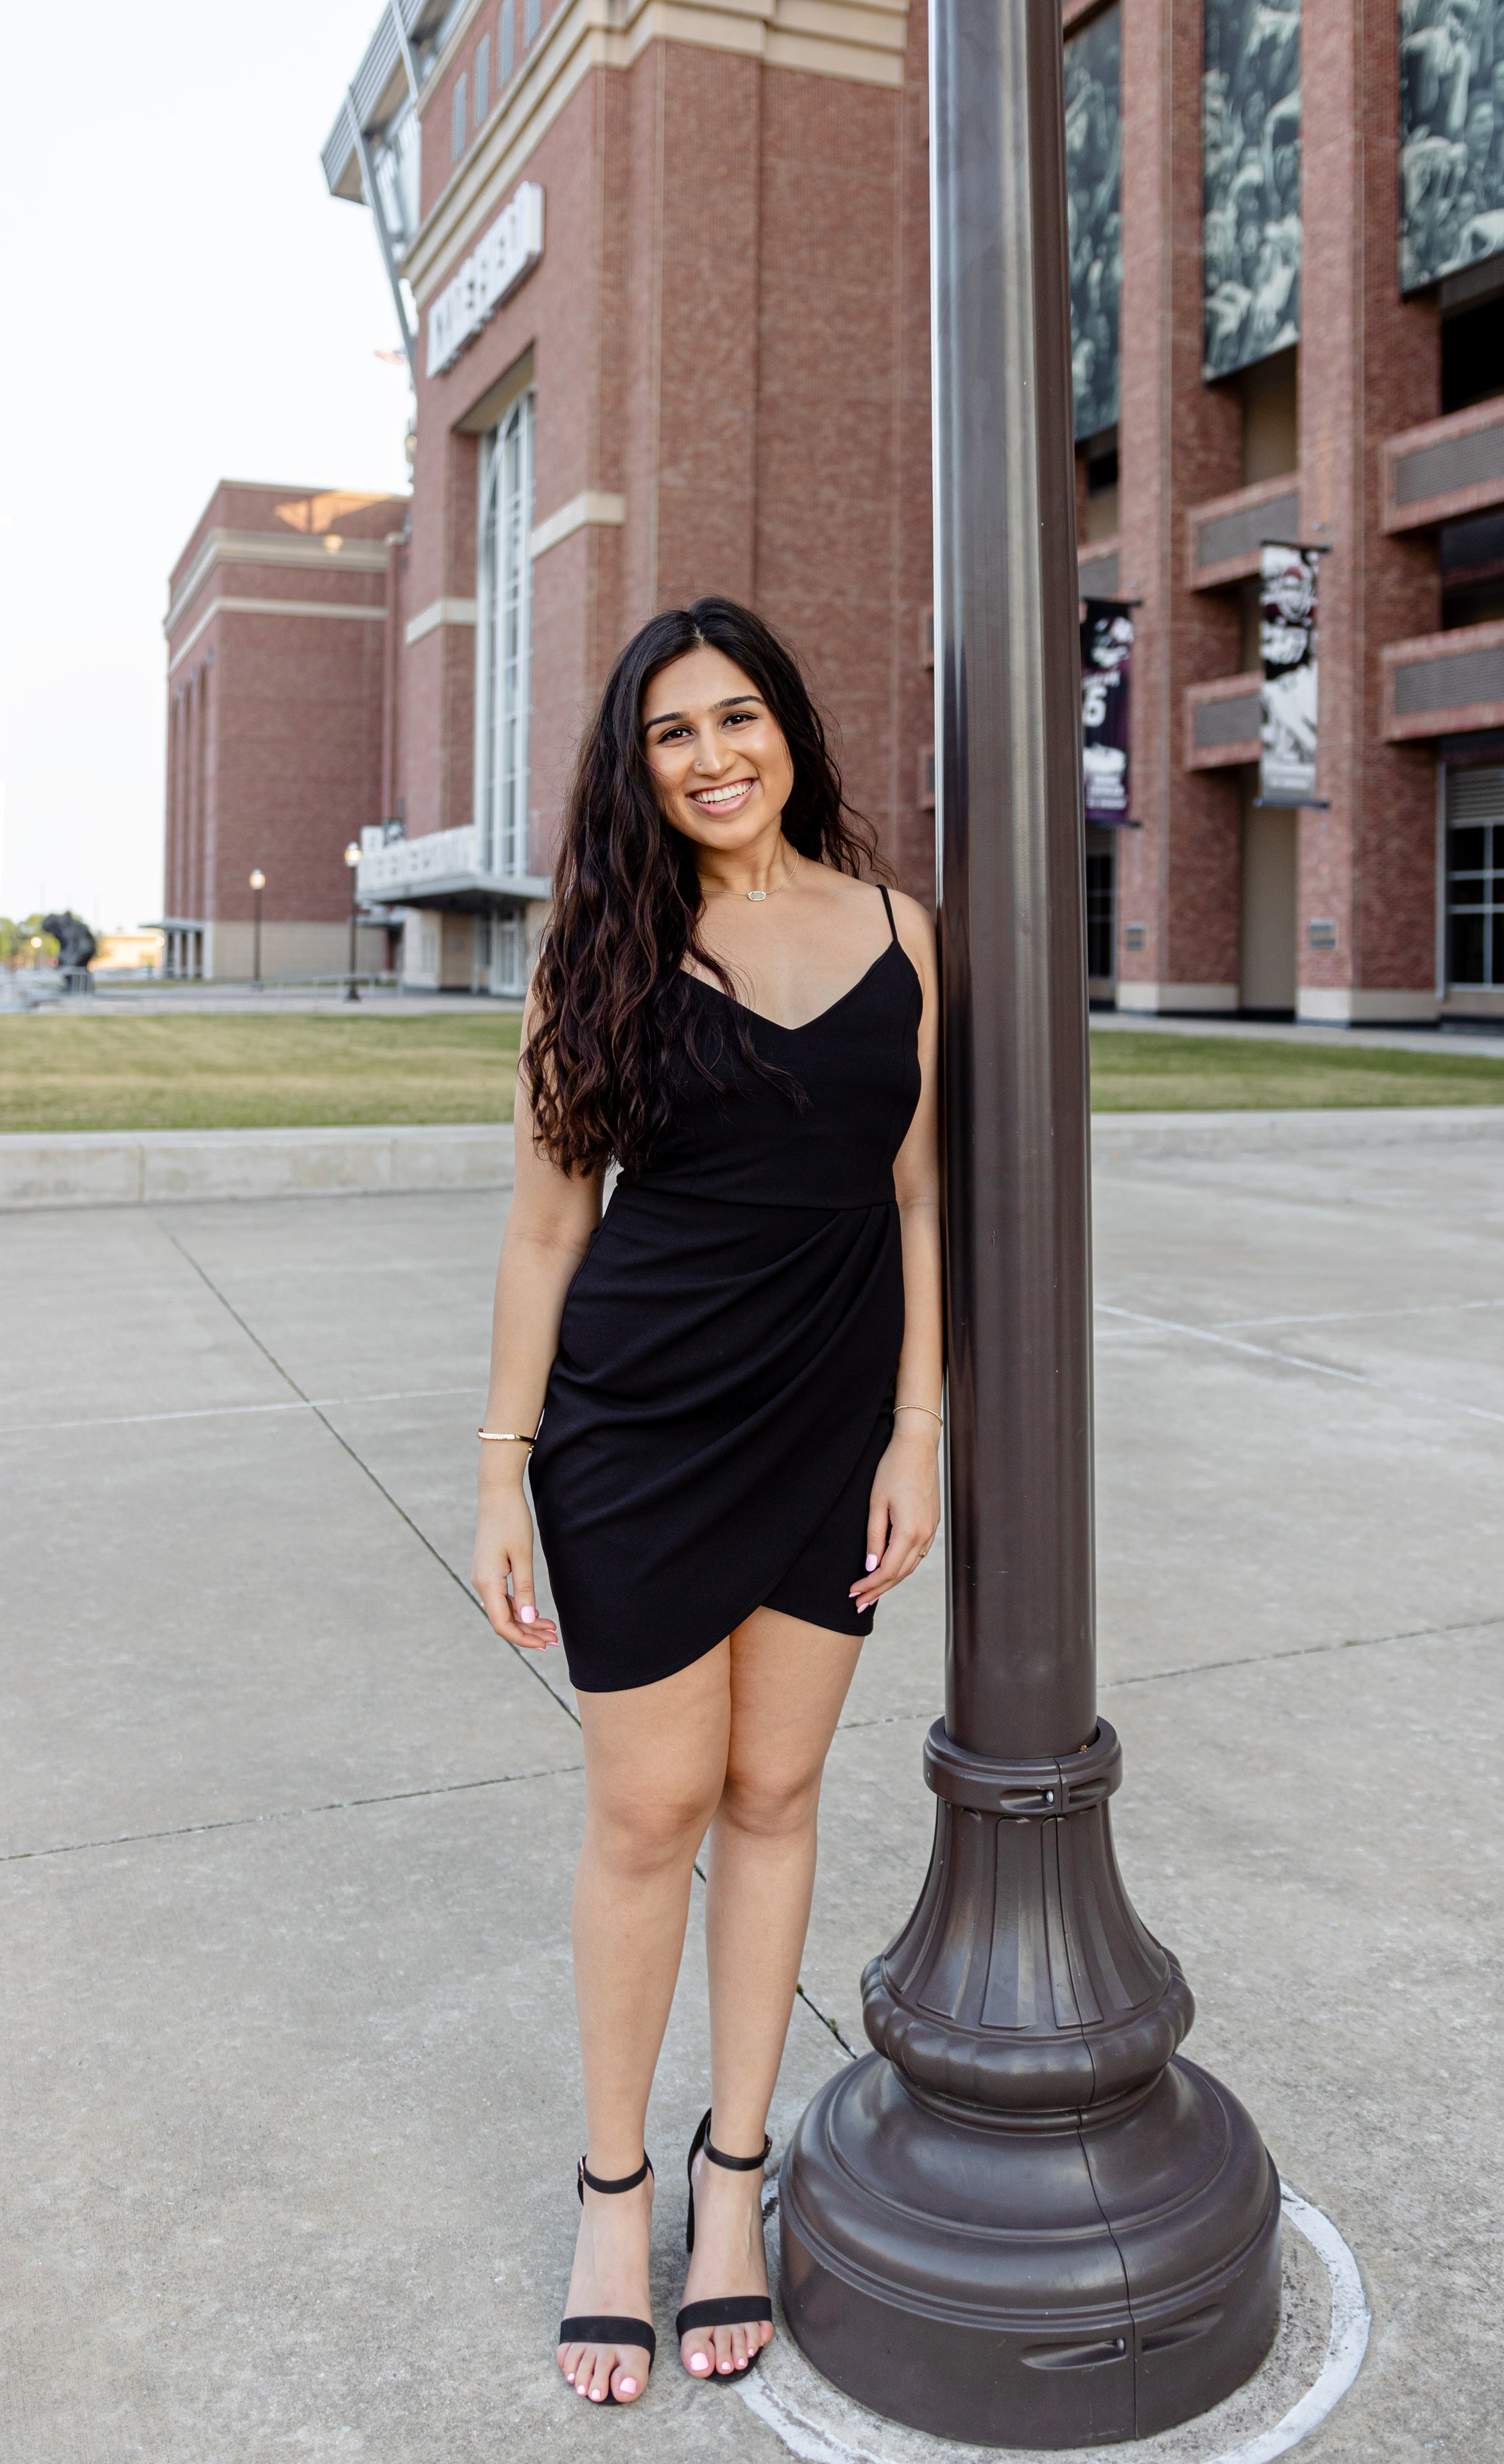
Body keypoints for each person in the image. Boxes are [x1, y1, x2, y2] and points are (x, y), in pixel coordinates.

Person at [470, 597, 943, 2408]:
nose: (713, 755)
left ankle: (731, 2175)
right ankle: (615, 2193)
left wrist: (918, 1431)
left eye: (738, 716)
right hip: (636, 1433)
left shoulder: (901, 933)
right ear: (638, 767)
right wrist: (502, 1468)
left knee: (774, 1791)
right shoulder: (597, 953)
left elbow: (916, 1200)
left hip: (830, 1429)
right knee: (651, 1807)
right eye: (673, 732)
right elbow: (545, 1231)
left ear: (790, 729)